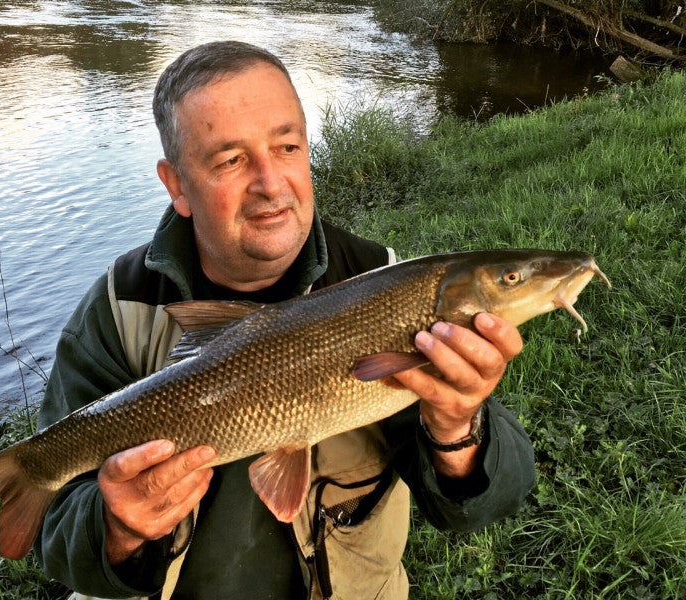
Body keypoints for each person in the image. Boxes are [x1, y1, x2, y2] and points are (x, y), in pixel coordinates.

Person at [35, 41, 535, 600]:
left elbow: (481, 508)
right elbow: (54, 534)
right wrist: (118, 530)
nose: (271, 183)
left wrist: (459, 428)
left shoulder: (383, 284)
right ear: (177, 185)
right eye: (231, 160)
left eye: (288, 147)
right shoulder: (120, 309)